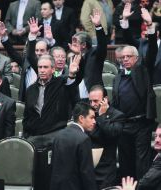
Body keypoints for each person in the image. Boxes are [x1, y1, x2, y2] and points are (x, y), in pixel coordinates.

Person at [113, 8, 157, 179]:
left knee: (141, 163)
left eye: (129, 57)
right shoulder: (117, 78)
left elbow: (152, 49)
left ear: (136, 59)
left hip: (141, 125)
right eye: (123, 57)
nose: (125, 59)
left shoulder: (143, 70)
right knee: (125, 163)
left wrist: (149, 25)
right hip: (123, 125)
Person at [23, 53, 82, 149]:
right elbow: (27, 115)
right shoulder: (31, 89)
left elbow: (72, 83)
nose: (42, 70)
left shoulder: (61, 83)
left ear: (53, 69)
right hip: (34, 136)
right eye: (40, 67)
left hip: (56, 134)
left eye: (45, 67)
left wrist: (71, 74)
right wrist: (27, 135)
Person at [50, 102, 98, 190]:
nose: (94, 121)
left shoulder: (58, 136)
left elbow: (53, 166)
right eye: (91, 118)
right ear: (81, 118)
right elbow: (87, 173)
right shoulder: (84, 139)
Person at [0, 20, 50, 101]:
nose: (39, 53)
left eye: (42, 50)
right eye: (36, 50)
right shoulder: (26, 62)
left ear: (48, 51)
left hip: (45, 100)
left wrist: (49, 40)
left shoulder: (51, 66)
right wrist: (5, 38)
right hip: (26, 101)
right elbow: (12, 52)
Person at [88, 85, 124, 189]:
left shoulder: (117, 116)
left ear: (105, 99)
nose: (92, 104)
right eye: (90, 101)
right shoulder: (88, 113)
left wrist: (102, 116)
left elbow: (112, 133)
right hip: (89, 167)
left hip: (106, 169)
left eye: (95, 101)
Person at [68, 9, 107, 102]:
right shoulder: (73, 58)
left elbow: (102, 45)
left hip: (94, 100)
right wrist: (77, 54)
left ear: (84, 45)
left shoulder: (95, 54)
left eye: (75, 42)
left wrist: (98, 26)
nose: (73, 44)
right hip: (77, 101)